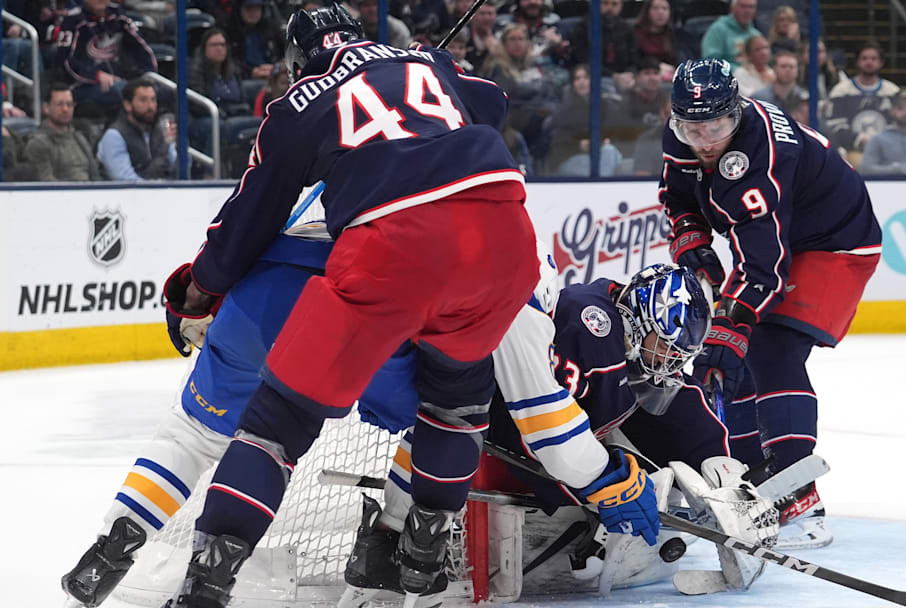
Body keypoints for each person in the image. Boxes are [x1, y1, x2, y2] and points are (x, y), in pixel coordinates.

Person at [159, 5, 540, 606]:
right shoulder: (426, 61)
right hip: (504, 239)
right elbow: (493, 102)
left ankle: (208, 580)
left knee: (278, 423)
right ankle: (424, 549)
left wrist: (200, 288)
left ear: (297, 60)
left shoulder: (297, 104)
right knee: (456, 401)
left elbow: (250, 218)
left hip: (394, 247)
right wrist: (430, 67)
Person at [341, 263, 781, 606]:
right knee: (453, 435)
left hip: (512, 430)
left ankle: (391, 540)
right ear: (641, 320)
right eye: (666, 347)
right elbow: (540, 430)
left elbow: (672, 398)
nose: (671, 361)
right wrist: (604, 485)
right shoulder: (591, 329)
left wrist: (719, 462)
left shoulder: (627, 336)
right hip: (496, 434)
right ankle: (400, 539)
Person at [58, 220, 425, 607]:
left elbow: (243, 218)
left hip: (259, 297)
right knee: (442, 418)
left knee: (192, 435)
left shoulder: (307, 183)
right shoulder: (424, 189)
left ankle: (111, 549)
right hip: (362, 309)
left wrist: (195, 292)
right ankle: (388, 541)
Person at [659, 58, 882, 550]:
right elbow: (678, 198)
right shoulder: (685, 133)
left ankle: (796, 496)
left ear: (735, 112)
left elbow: (764, 269)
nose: (704, 141)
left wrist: (730, 329)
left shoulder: (758, 160)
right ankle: (746, 485)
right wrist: (693, 244)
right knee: (736, 365)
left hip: (835, 244)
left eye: (716, 128)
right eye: (692, 129)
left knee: (770, 348)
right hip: (788, 238)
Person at [52, 0, 157, 107]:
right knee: (128, 93)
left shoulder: (118, 16)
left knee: (157, 90)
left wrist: (149, 74)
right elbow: (65, 61)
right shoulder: (73, 20)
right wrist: (97, 75)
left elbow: (141, 49)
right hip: (82, 84)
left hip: (118, 79)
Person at [823, 40, 900, 168]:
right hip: (852, 151)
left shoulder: (892, 91)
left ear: (881, 62)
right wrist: (858, 139)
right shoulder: (842, 91)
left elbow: (899, 124)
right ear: (857, 62)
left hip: (888, 151)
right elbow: (835, 126)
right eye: (864, 58)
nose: (869, 62)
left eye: (873, 59)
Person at [97, 78, 177, 180]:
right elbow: (124, 179)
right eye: (143, 100)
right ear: (128, 105)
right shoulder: (114, 136)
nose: (150, 106)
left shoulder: (160, 130)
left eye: (153, 100)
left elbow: (178, 168)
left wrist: (181, 145)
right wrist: (158, 187)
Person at [23, 82, 100, 181]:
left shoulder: (79, 136)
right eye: (59, 104)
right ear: (46, 108)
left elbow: (95, 175)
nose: (65, 109)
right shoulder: (38, 143)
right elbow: (46, 183)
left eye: (69, 104)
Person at [569, 0, 639, 78]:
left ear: (621, 6)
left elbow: (633, 58)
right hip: (593, 77)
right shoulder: (583, 28)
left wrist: (629, 73)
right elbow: (584, 60)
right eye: (605, 3)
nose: (609, 8)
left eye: (614, 4)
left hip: (624, 76)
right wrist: (613, 75)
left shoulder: (626, 28)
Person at [226, 0, 285, 79]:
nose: (253, 13)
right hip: (243, 79)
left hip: (273, 76)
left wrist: (277, 67)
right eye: (249, 9)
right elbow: (228, 61)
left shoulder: (272, 29)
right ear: (239, 10)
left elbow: (287, 53)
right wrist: (250, 72)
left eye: (257, 9)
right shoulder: (229, 32)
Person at [701, 0, 762, 66]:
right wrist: (735, 69)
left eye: (751, 7)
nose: (747, 11)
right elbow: (711, 61)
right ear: (732, 8)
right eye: (743, 6)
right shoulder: (717, 30)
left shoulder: (756, 34)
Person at [750, 49, 806, 115]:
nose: (787, 70)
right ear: (774, 69)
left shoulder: (805, 99)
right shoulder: (758, 99)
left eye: (791, 67)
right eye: (783, 66)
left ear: (797, 70)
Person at [632, 0, 679, 72]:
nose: (660, 12)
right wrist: (658, 65)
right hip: (644, 72)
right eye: (655, 8)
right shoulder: (635, 32)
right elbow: (635, 59)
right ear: (647, 11)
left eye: (664, 8)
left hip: (670, 73)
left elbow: (678, 58)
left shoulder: (674, 33)